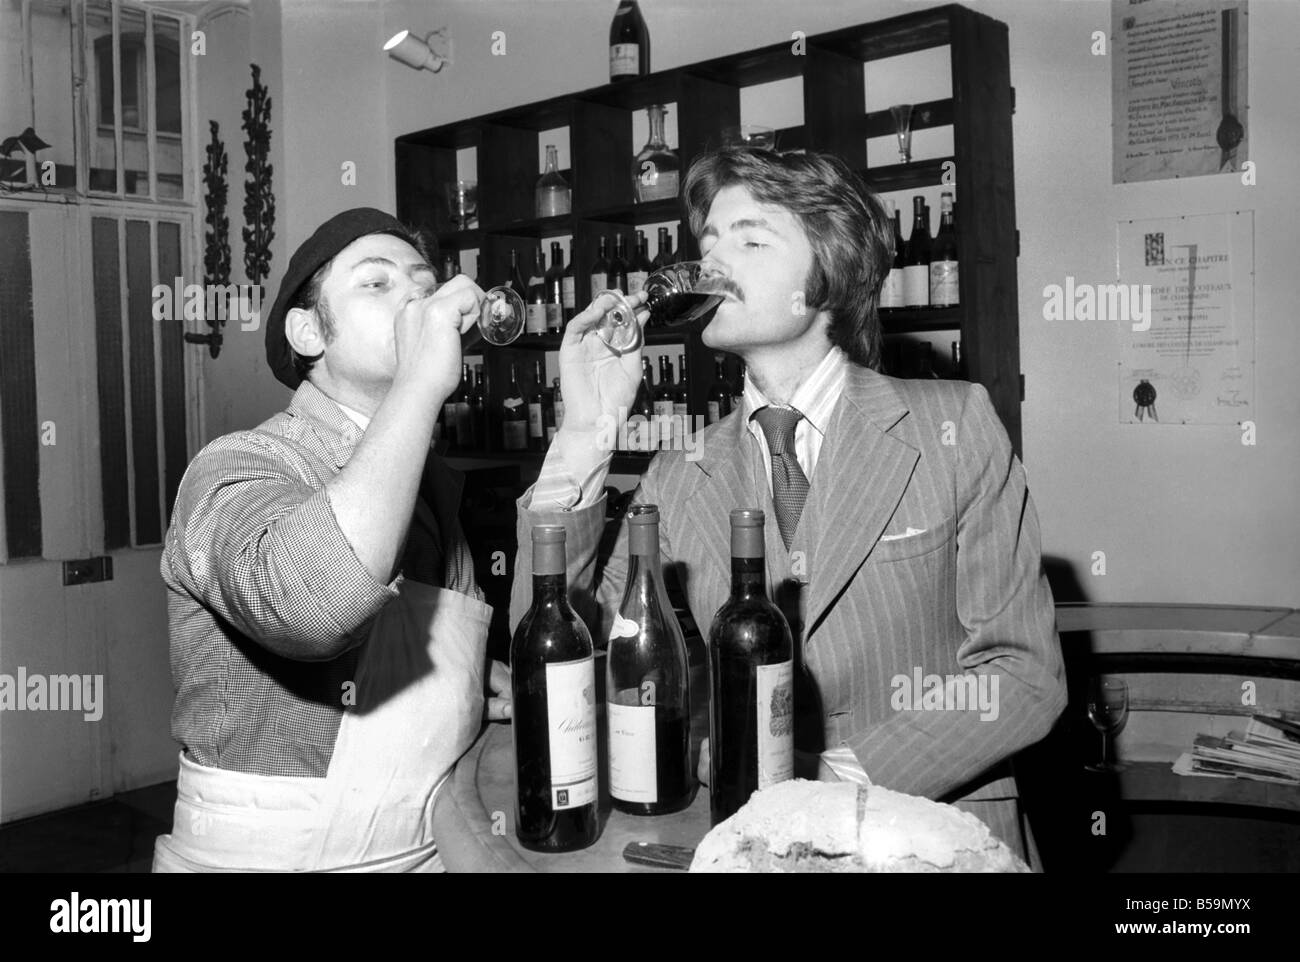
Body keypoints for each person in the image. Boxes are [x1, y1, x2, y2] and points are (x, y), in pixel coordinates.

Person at [511, 148, 1067, 868]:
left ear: (826, 271)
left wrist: (833, 782)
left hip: (931, 837)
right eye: (707, 241)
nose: (712, 258)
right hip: (743, 844)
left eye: (749, 238)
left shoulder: (954, 429)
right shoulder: (679, 473)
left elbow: (1022, 674)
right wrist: (585, 432)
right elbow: (562, 662)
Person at [152, 208, 639, 872]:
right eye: (377, 284)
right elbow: (313, 603)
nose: (417, 298)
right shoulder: (239, 465)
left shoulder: (431, 488)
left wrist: (587, 426)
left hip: (437, 842)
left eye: (423, 282)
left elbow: (542, 626)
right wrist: (420, 382)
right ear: (307, 331)